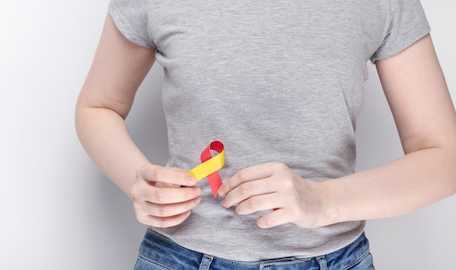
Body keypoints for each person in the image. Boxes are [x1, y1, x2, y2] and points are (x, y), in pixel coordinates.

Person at [75, 0, 456, 269]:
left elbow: (444, 157)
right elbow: (99, 106)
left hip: (335, 259)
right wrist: (135, 179)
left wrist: (322, 199)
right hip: (179, 258)